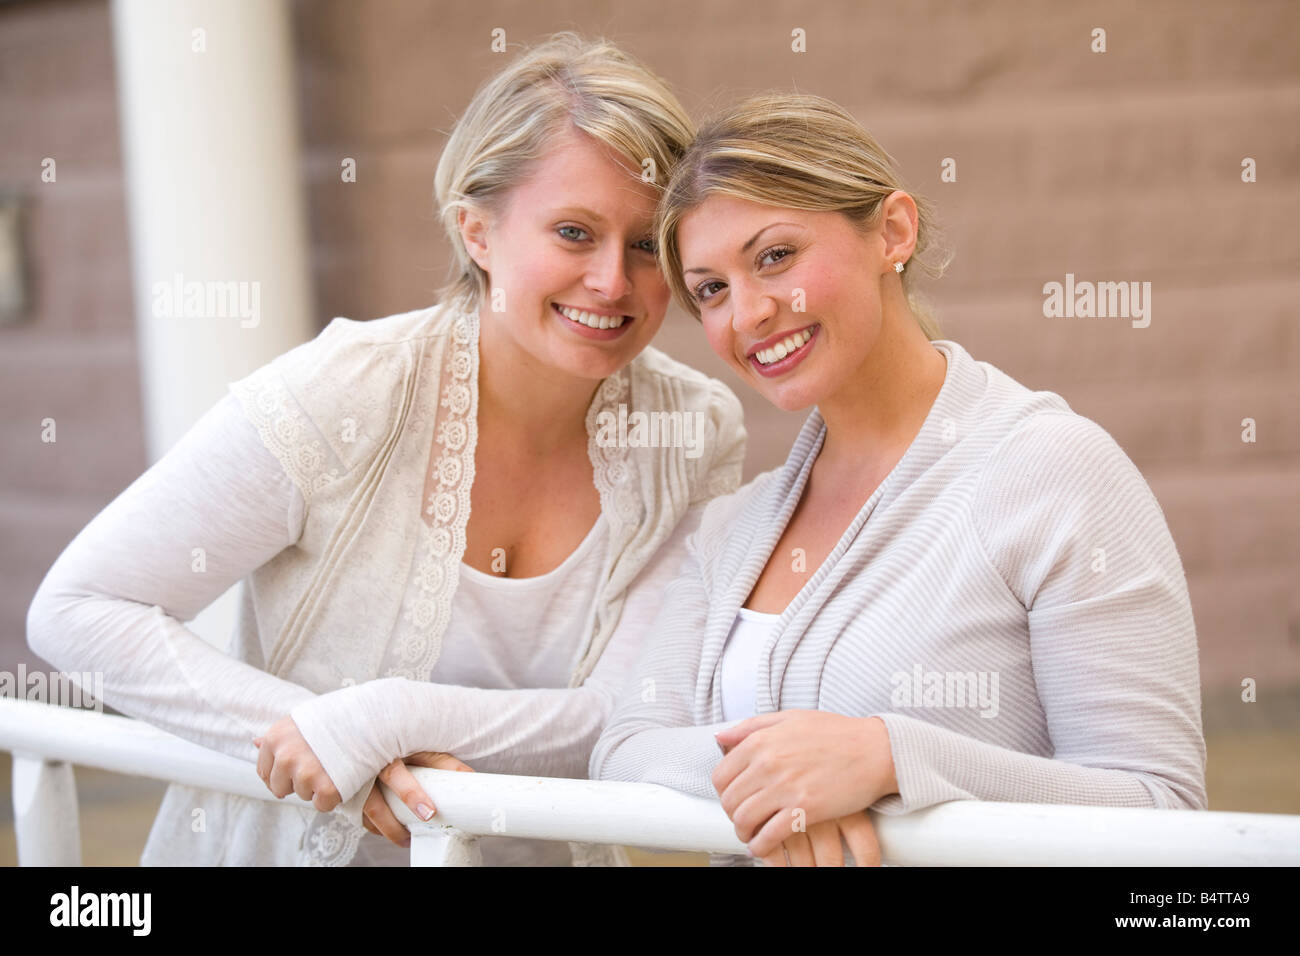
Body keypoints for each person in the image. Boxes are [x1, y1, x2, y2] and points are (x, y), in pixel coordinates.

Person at [25, 32, 745, 867]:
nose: (614, 282)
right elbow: (79, 609)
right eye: (574, 233)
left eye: (648, 243)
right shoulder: (348, 391)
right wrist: (320, 747)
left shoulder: (693, 427)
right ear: (478, 232)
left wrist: (377, 721)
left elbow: (625, 711)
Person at [590, 91, 1206, 866]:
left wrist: (889, 761)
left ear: (893, 231)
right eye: (711, 289)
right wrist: (788, 786)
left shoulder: (1055, 471)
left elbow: (1162, 809)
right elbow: (624, 749)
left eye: (775, 256)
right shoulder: (734, 527)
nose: (747, 314)